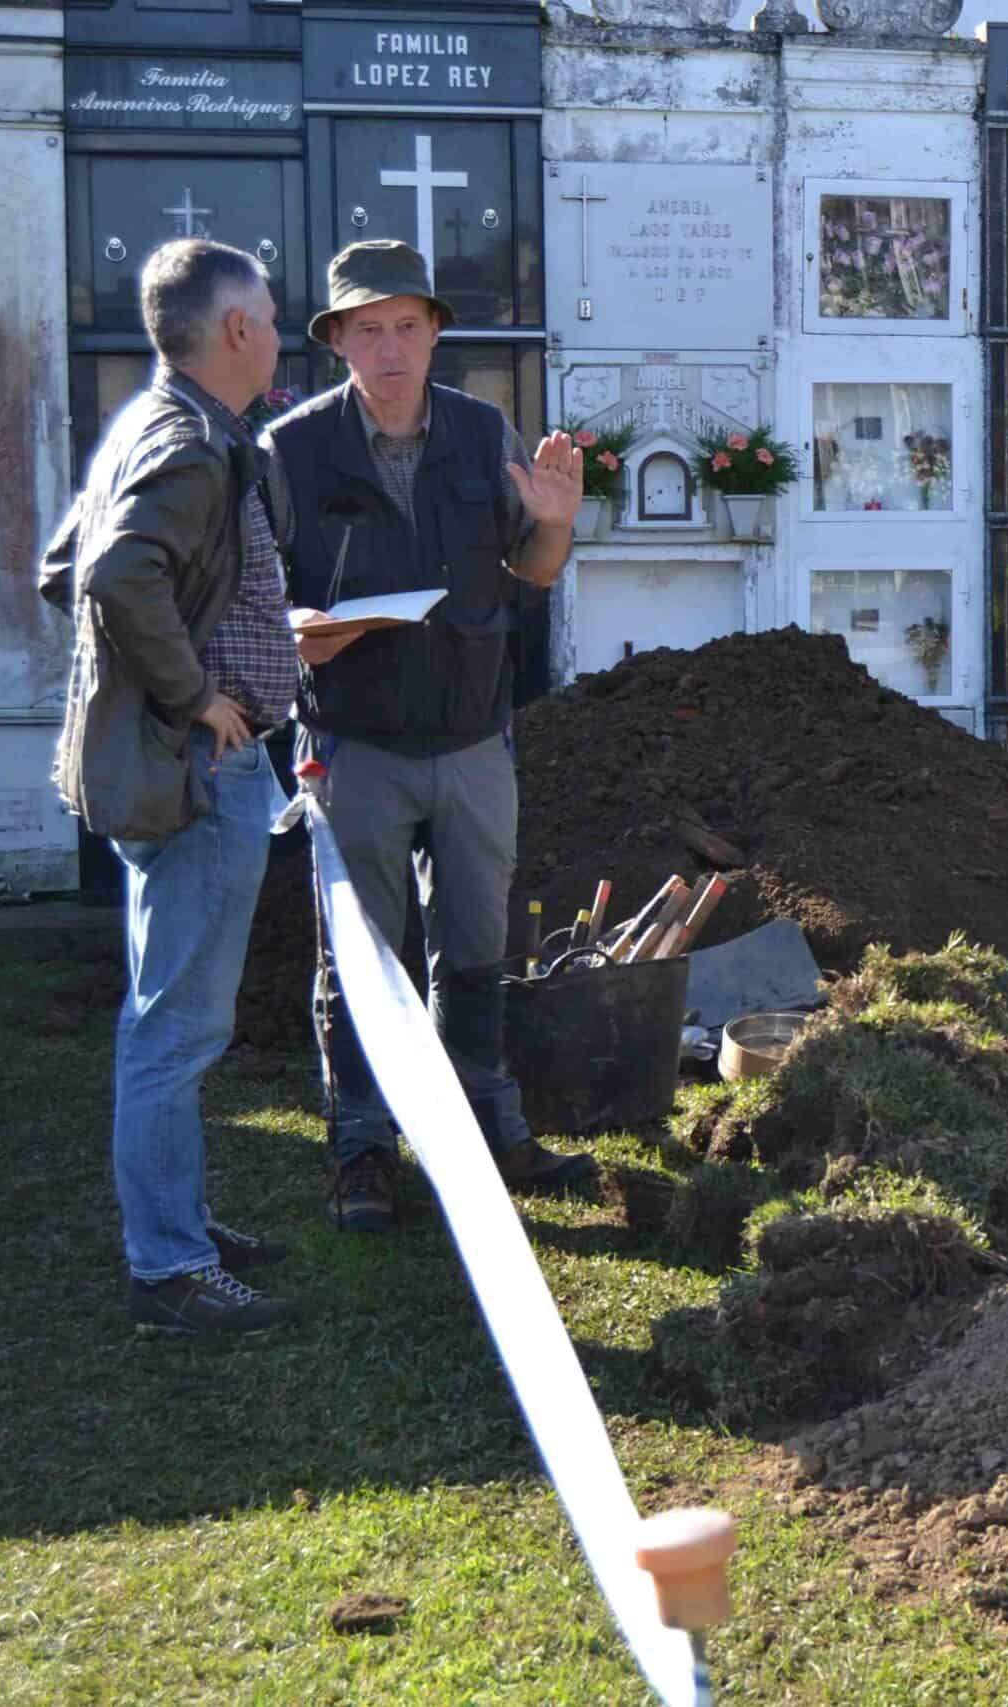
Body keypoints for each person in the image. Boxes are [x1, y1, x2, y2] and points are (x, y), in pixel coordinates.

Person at [265, 240, 596, 1234]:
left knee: (476, 945)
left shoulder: (481, 430)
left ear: (436, 332)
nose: (392, 345)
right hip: (353, 743)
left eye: (409, 324)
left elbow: (531, 572)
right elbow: (256, 606)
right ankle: (362, 1149)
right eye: (369, 328)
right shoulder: (291, 452)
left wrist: (555, 521)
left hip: (469, 737)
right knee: (359, 957)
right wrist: (306, 637)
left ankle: (489, 1133)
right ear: (337, 342)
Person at [38, 238, 304, 1335]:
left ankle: (178, 1218)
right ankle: (171, 1269)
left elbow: (64, 565)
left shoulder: (154, 424)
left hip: (174, 767)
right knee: (174, 1030)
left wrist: (191, 660)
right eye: (273, 316)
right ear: (236, 330)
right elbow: (108, 574)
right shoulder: (191, 443)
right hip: (197, 777)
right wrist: (196, 697)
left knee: (170, 1020)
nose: (281, 332)